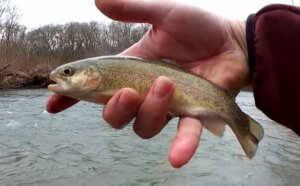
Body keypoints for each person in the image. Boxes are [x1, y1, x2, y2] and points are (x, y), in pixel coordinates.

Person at [46, 0, 300, 168]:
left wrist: (245, 42)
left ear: (91, 74)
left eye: (68, 72)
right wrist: (245, 42)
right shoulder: (98, 81)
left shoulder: (102, 78)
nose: (61, 76)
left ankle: (237, 121)